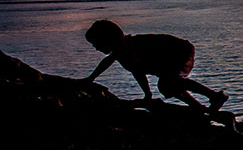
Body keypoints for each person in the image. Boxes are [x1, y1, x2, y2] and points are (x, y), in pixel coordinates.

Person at [82, 20, 227, 112]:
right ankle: (198, 108)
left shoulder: (130, 47)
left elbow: (136, 71)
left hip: (179, 50)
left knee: (170, 82)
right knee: (167, 86)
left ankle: (214, 96)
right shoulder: (121, 53)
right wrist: (91, 78)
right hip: (167, 59)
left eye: (97, 44)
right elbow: (136, 72)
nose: (96, 48)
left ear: (109, 40)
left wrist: (148, 94)